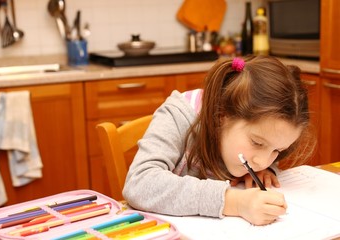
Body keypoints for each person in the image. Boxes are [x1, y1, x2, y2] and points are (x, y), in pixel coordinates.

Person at [122, 55, 316, 226]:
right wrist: (234, 202)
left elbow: (266, 155)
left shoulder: (261, 144)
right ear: (222, 115)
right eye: (257, 143)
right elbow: (139, 183)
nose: (263, 161)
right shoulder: (179, 115)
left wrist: (265, 171)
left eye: (277, 151)